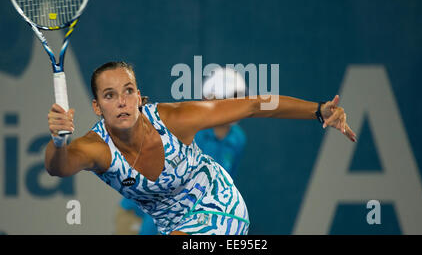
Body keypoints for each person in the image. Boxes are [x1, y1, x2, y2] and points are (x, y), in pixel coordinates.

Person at [45, 61, 356, 235]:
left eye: (128, 91)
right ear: (97, 108)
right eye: (110, 96)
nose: (122, 101)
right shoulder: (96, 148)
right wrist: (59, 141)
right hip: (168, 226)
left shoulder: (175, 119)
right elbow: (58, 167)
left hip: (219, 206)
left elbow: (254, 105)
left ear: (139, 97)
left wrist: (318, 110)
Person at [115, 67, 248, 235]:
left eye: (241, 99)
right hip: (138, 215)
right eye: (232, 98)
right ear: (210, 98)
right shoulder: (186, 129)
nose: (238, 105)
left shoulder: (238, 140)